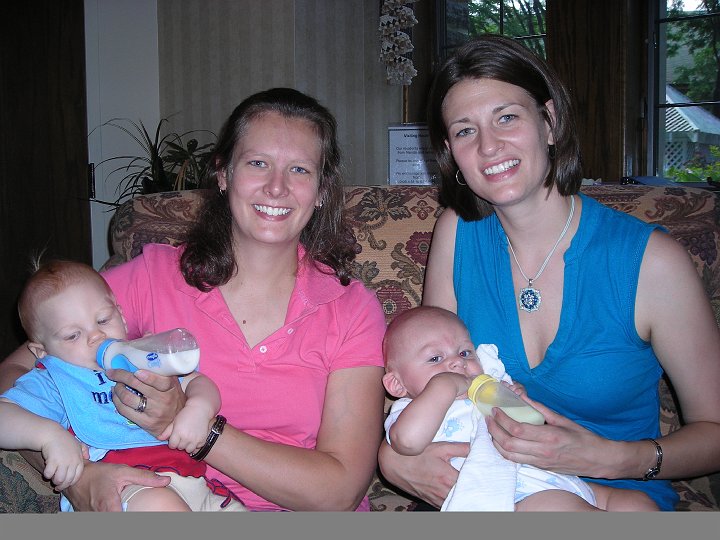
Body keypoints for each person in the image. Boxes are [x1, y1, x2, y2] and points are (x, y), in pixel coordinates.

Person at [0, 88, 387, 512]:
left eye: (299, 169)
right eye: (257, 163)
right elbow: (19, 372)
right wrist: (77, 476)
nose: (276, 187)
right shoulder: (154, 277)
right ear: (223, 174)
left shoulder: (351, 310)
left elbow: (339, 491)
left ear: (320, 190)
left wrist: (197, 431)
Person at [377, 34, 720, 512]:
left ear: (550, 121)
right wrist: (392, 461)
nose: (490, 146)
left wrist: (611, 458)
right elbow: (421, 371)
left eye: (507, 117)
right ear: (450, 153)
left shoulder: (652, 263)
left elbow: (715, 433)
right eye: (464, 130)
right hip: (491, 486)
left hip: (614, 494)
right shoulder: (457, 232)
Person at [0, 259, 246, 512]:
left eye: (104, 320)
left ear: (122, 318)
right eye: (73, 335)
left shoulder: (142, 355)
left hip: (196, 484)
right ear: (42, 352)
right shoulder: (53, 381)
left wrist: (199, 408)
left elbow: (198, 381)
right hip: (129, 491)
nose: (96, 336)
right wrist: (49, 436)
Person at [382, 305, 658, 511]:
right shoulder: (410, 410)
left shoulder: (485, 386)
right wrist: (444, 386)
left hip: (556, 478)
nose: (456, 363)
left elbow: (534, 424)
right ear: (396, 384)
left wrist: (512, 399)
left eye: (465, 352)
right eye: (435, 358)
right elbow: (407, 442)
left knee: (637, 503)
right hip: (516, 497)